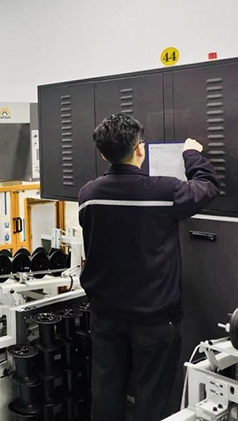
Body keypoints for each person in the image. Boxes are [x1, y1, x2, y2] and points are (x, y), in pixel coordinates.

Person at [78, 114, 220, 421]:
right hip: (153, 320)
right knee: (150, 401)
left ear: (104, 155)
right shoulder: (164, 192)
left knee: (106, 394)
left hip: (105, 317)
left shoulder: (88, 195)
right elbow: (208, 186)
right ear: (140, 149)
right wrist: (191, 154)